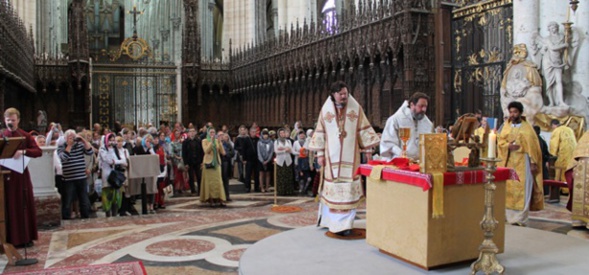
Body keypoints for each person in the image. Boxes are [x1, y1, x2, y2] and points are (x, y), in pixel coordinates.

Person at [308, 81, 380, 236]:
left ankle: (344, 225)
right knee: (331, 191)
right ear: (333, 95)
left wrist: (368, 151)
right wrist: (320, 155)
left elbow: (363, 130)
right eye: (341, 94)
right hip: (330, 160)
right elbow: (320, 133)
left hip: (350, 159)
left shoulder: (355, 109)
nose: (344, 96)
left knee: (348, 191)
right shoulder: (325, 110)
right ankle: (329, 221)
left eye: (345, 94)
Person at [497, 101, 544, 226]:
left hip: (523, 162)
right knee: (508, 189)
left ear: (520, 113)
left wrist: (533, 162)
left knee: (524, 189)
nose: (512, 114)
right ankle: (509, 217)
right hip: (508, 161)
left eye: (515, 112)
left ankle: (520, 218)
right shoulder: (505, 126)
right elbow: (499, 142)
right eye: (511, 112)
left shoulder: (527, 128)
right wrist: (508, 146)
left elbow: (533, 146)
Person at [2, 108, 42, 247]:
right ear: (4, 120)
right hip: (4, 178)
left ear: (18, 120)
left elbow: (38, 151)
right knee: (7, 206)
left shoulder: (24, 135)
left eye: (13, 120)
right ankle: (8, 238)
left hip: (20, 177)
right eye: (8, 120)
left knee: (22, 205)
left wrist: (23, 151)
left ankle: (25, 237)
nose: (10, 123)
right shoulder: (2, 136)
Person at [380, 92, 433, 160]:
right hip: (400, 161)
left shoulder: (427, 123)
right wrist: (401, 154)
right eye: (421, 106)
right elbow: (388, 142)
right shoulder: (396, 119)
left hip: (420, 162)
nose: (423, 110)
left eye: (425, 106)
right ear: (412, 105)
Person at [58, 129, 94, 220]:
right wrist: (69, 146)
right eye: (70, 137)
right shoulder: (61, 147)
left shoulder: (80, 145)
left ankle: (85, 217)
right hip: (68, 179)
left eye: (73, 137)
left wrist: (83, 139)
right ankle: (66, 218)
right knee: (67, 200)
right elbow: (63, 158)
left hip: (81, 177)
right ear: (65, 138)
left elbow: (90, 152)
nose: (72, 139)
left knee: (84, 199)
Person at [534, 22, 570, 107]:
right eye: (552, 28)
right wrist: (564, 45)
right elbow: (553, 48)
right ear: (549, 29)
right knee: (549, 83)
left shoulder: (562, 37)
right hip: (548, 61)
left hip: (558, 61)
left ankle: (561, 101)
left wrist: (568, 32)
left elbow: (567, 39)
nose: (554, 29)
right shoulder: (547, 39)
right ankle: (551, 102)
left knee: (559, 81)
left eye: (555, 27)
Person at [565, 131, 589, 228]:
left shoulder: (586, 134)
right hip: (581, 169)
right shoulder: (586, 134)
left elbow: (576, 155)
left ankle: (582, 221)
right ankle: (580, 221)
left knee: (583, 195)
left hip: (582, 168)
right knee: (582, 195)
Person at [200, 128, 227, 206]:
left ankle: (220, 198)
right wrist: (211, 142)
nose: (212, 133)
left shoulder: (217, 141)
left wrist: (220, 142)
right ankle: (210, 199)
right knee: (210, 183)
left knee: (218, 181)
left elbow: (223, 152)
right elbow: (206, 151)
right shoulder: (204, 141)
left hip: (217, 164)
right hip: (208, 164)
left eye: (213, 132)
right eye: (211, 132)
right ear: (208, 133)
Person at [182, 127, 204, 195]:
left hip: (198, 161)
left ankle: (200, 190)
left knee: (199, 176)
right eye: (190, 131)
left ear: (195, 132)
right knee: (191, 176)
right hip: (189, 161)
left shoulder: (198, 141)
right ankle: (193, 190)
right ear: (188, 133)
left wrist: (202, 161)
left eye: (193, 131)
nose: (192, 133)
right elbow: (184, 153)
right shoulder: (185, 142)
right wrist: (185, 163)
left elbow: (201, 152)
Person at [274, 128, 295, 196]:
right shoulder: (276, 142)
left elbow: (291, 150)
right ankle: (281, 191)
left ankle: (289, 191)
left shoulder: (288, 141)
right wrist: (284, 150)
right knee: (281, 176)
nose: (282, 134)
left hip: (288, 161)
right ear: (279, 134)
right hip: (280, 161)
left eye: (283, 133)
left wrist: (284, 149)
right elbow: (276, 151)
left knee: (288, 176)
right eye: (281, 133)